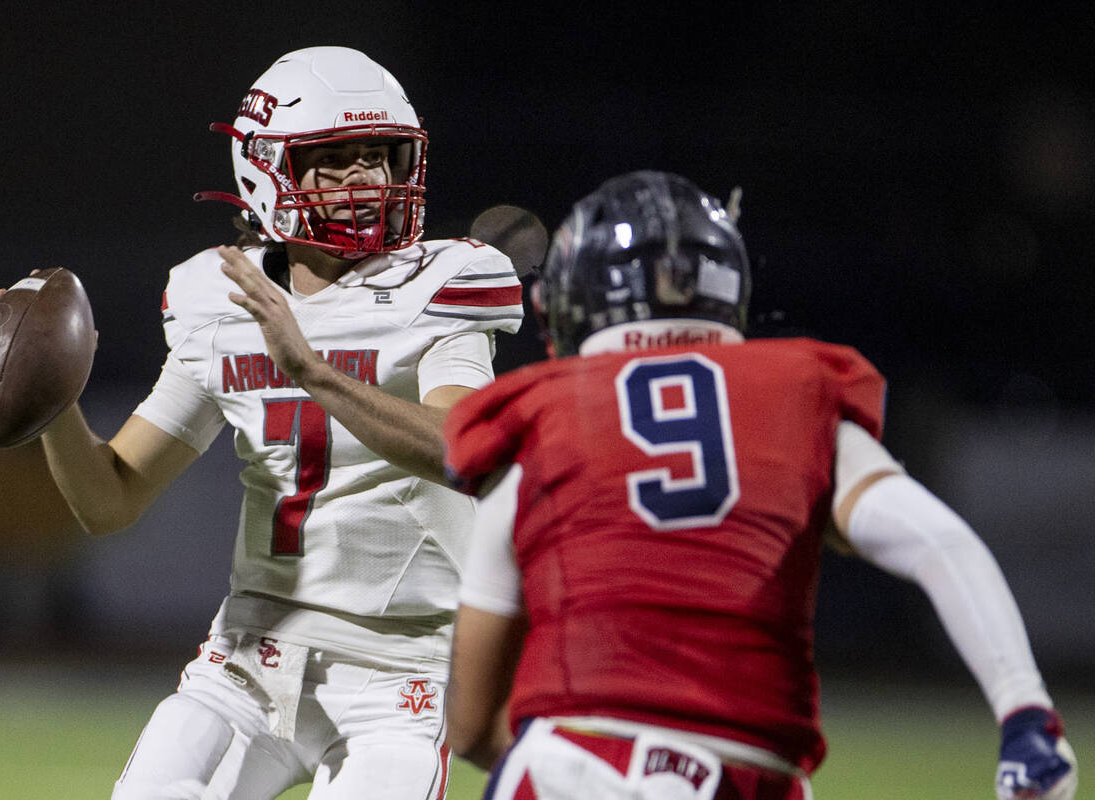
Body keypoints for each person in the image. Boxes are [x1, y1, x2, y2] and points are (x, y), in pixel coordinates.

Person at [0, 46, 523, 799]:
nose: (364, 179)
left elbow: (465, 448)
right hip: (251, 656)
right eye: (332, 161)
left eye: (379, 157)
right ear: (264, 171)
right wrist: (55, 404)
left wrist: (313, 369)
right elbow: (109, 500)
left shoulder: (440, 284)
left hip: (405, 673)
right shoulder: (217, 298)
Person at [440, 171, 1077, 800]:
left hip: (577, 761)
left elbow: (469, 725)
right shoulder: (796, 394)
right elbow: (940, 544)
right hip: (750, 775)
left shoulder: (537, 416)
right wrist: (1025, 716)